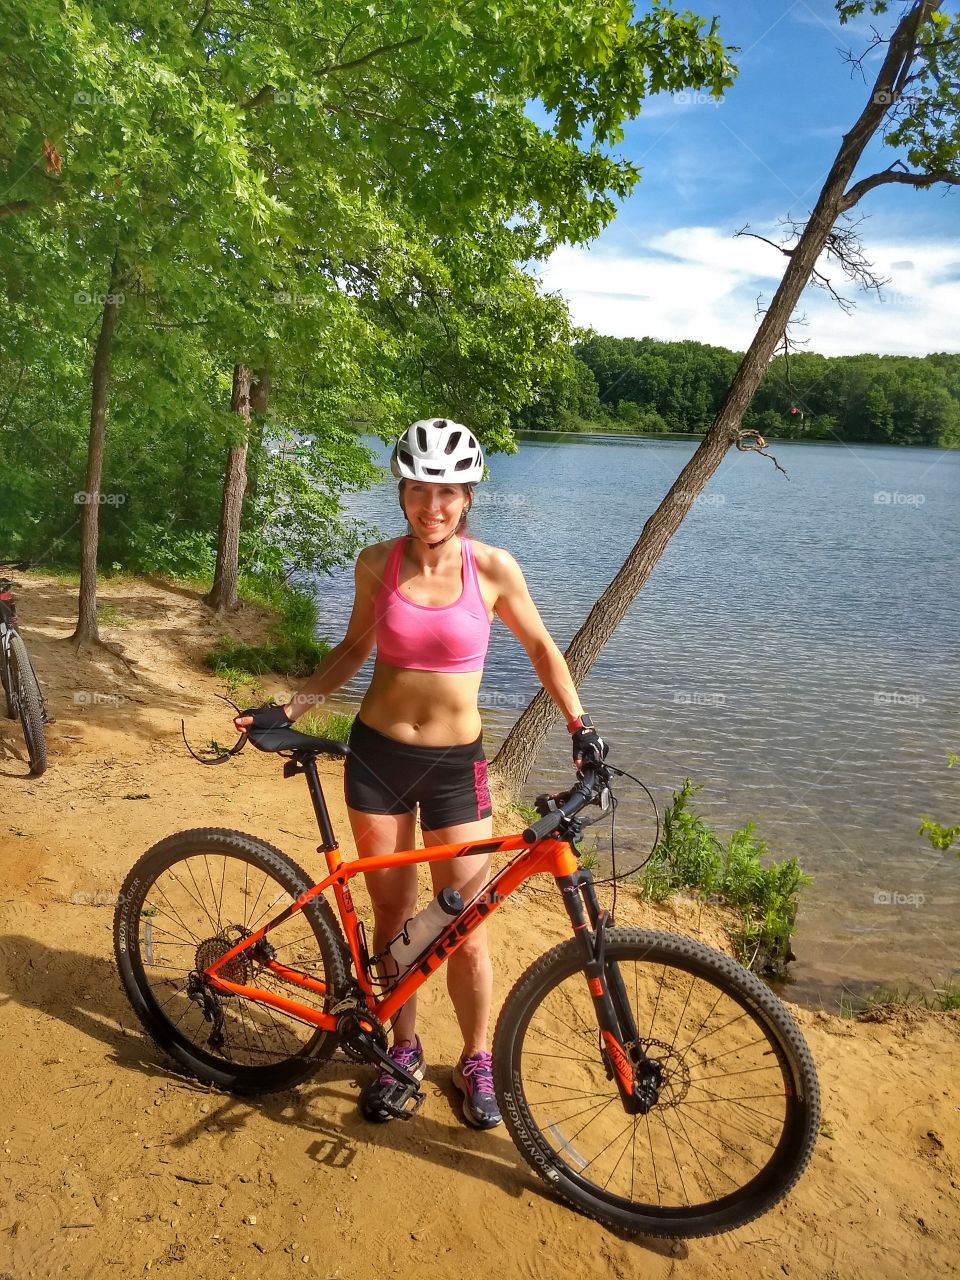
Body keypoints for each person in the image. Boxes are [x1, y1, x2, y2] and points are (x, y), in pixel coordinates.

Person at [235, 418, 607, 1129]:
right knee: (394, 915)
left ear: (467, 497)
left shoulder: (493, 568)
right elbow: (351, 651)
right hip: (377, 758)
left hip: (452, 767)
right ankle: (401, 1049)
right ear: (402, 492)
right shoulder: (376, 561)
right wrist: (293, 704)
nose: (432, 506)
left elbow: (543, 650)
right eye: (418, 490)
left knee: (463, 924)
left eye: (447, 492)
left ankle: (474, 1058)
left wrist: (580, 725)